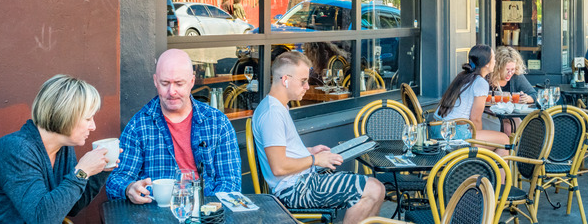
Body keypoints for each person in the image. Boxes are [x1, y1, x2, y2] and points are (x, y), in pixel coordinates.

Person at [252, 51, 384, 221]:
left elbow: (281, 150)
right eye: (303, 81)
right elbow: (279, 167)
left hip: (302, 181)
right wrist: (315, 160)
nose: (307, 86)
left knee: (377, 188)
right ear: (285, 79)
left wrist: (309, 151)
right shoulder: (272, 114)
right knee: (373, 189)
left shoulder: (277, 107)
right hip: (294, 190)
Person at [106, 49, 241, 202]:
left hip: (207, 211)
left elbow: (230, 182)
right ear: (155, 81)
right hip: (154, 213)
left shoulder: (217, 122)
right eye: (165, 83)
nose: (172, 91)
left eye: (179, 83)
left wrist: (208, 212)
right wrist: (129, 188)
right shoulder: (138, 126)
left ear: (191, 82)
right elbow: (115, 180)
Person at [0, 75, 117, 223]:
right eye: (87, 119)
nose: (93, 126)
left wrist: (100, 171)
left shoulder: (63, 148)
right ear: (66, 114)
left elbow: (72, 207)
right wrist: (82, 172)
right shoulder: (16, 149)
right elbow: (41, 219)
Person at [434, 45, 511, 153]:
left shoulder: (463, 76)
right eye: (494, 58)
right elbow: (475, 119)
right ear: (487, 63)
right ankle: (492, 168)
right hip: (453, 134)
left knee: (491, 136)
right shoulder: (480, 82)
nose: (495, 61)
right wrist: (477, 144)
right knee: (504, 139)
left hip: (437, 129)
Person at [487, 46, 537, 134]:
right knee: (508, 128)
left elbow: (534, 95)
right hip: (489, 116)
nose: (510, 73)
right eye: (507, 70)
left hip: (508, 116)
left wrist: (526, 98)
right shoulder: (487, 78)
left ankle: (513, 147)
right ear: (498, 67)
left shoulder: (516, 77)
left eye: (512, 69)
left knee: (519, 125)